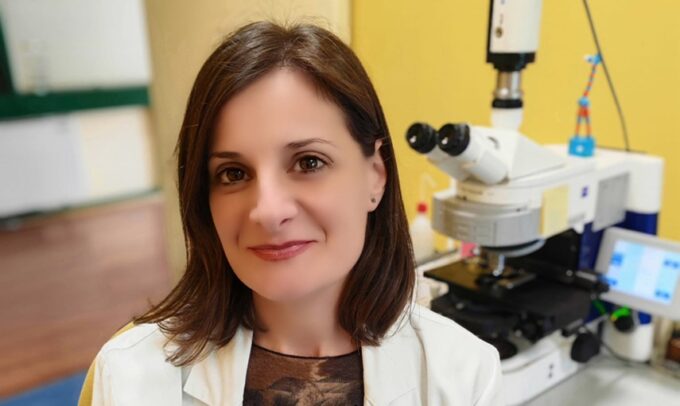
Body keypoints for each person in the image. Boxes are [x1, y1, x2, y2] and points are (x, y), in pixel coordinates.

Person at [80, 21, 503, 405]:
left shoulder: (464, 377)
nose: (268, 211)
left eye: (309, 162)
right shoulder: (129, 378)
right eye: (233, 173)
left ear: (375, 176)